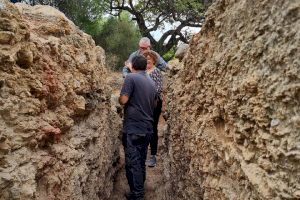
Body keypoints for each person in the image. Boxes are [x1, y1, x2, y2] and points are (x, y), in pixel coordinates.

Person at [119, 54, 158, 200]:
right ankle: (138, 191)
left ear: (133, 66)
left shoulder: (131, 77)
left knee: (132, 162)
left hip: (134, 128)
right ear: (144, 66)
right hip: (147, 128)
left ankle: (137, 195)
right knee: (141, 160)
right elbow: (155, 104)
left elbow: (123, 100)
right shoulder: (151, 82)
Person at [142, 50, 163, 167]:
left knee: (153, 128)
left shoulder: (156, 72)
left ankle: (153, 155)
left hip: (154, 104)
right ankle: (144, 152)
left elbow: (159, 89)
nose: (147, 60)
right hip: (144, 104)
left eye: (149, 58)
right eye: (145, 58)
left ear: (154, 60)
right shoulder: (143, 72)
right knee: (144, 127)